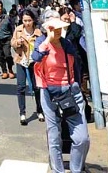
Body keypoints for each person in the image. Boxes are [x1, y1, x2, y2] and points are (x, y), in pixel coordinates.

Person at [32, 17, 90, 173]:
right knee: (54, 136)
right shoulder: (41, 42)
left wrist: (77, 86)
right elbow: (36, 57)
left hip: (70, 91)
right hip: (49, 93)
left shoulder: (67, 44)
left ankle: (76, 169)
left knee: (82, 138)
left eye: (59, 28)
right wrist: (48, 40)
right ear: (46, 29)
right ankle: (58, 170)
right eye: (53, 28)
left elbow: (76, 65)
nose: (57, 31)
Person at [10, 9, 43, 125]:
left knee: (37, 87)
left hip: (35, 62)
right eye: (25, 20)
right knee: (21, 87)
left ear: (33, 20)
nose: (27, 23)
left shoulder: (38, 32)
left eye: (29, 20)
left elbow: (43, 45)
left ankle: (40, 110)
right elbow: (12, 42)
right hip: (21, 60)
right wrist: (17, 42)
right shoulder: (18, 30)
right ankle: (22, 113)